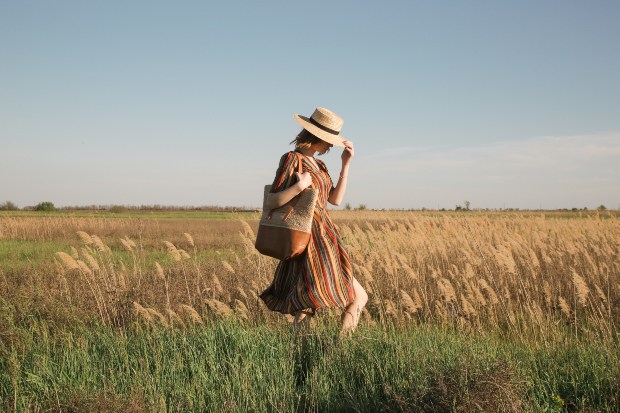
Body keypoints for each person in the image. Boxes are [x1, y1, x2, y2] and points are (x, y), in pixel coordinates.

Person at [259, 107, 368, 334]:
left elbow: (335, 199)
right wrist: (299, 186)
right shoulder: (292, 159)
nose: (330, 145)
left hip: (327, 238)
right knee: (308, 302)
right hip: (308, 236)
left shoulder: (321, 165)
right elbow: (272, 201)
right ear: (317, 137)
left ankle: (333, 352)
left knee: (354, 297)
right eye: (329, 140)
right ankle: (306, 357)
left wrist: (346, 164)